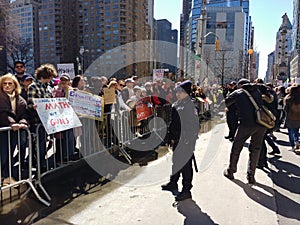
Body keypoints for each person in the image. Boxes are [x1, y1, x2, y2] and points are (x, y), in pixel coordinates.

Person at [223, 79, 267, 184]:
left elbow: (225, 103)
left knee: (236, 147)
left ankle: (231, 171)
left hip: (246, 124)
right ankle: (251, 175)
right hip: (261, 123)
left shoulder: (238, 92)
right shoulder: (257, 91)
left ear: (240, 85)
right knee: (255, 149)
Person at [161, 80, 199, 201]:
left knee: (186, 166)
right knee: (176, 162)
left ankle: (186, 190)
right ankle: (173, 182)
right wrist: (169, 137)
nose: (177, 94)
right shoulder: (177, 104)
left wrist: (189, 138)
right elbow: (172, 123)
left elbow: (194, 124)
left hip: (186, 140)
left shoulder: (191, 105)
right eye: (177, 92)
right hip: (176, 139)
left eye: (180, 92)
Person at [27, 64, 58, 171]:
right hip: (37, 121)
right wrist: (34, 107)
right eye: (50, 77)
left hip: (47, 121)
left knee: (44, 143)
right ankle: (39, 164)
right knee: (38, 144)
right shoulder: (33, 87)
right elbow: (29, 105)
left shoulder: (48, 88)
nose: (51, 79)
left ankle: (42, 162)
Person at [0, 73, 28, 185]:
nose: (7, 86)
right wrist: (12, 123)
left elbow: (24, 114)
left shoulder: (19, 99)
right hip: (3, 131)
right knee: (4, 155)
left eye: (10, 83)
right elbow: (2, 113)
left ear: (15, 85)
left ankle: (7, 178)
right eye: (4, 83)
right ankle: (5, 177)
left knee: (10, 154)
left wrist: (22, 123)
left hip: (13, 132)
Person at [283, 84, 300, 151]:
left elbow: (285, 109)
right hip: (299, 117)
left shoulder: (288, 98)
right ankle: (297, 141)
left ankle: (292, 146)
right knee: (296, 130)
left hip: (290, 117)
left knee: (290, 131)